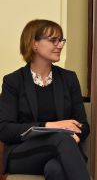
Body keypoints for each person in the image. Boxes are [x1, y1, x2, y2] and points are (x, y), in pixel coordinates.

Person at [0, 19, 90, 180]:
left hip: (63, 149)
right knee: (61, 139)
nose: (60, 45)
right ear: (34, 44)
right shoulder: (13, 81)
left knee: (56, 170)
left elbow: (83, 125)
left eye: (61, 40)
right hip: (24, 154)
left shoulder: (69, 78)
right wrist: (50, 126)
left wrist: (74, 132)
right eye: (53, 40)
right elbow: (5, 129)